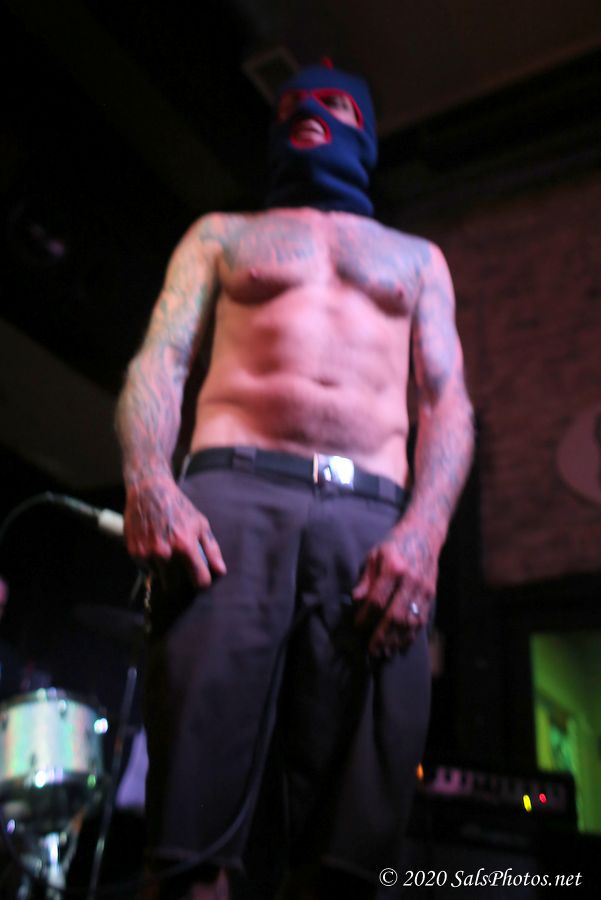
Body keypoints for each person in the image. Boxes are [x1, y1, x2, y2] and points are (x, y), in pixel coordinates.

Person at [116, 61, 474, 900]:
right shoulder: (220, 234)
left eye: (333, 103)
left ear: (364, 131)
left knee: (349, 853)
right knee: (188, 842)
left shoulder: (417, 259)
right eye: (291, 104)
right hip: (230, 501)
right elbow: (160, 360)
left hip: (373, 518)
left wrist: (425, 534)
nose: (308, 111)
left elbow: (446, 402)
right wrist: (147, 479)